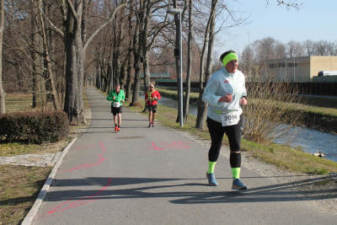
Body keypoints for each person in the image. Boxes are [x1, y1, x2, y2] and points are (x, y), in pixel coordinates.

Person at [202, 50, 248, 190]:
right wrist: (220, 99)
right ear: (225, 63)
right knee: (216, 144)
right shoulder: (217, 77)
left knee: (236, 146)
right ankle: (210, 172)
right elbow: (206, 96)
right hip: (216, 118)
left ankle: (236, 179)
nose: (235, 64)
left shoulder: (240, 76)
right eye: (231, 62)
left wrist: (243, 99)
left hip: (234, 116)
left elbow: (243, 91)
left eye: (236, 61)